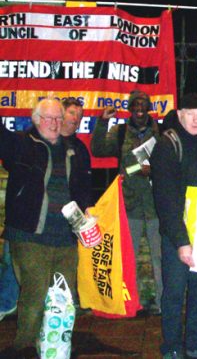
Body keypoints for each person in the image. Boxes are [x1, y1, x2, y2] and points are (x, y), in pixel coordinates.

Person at [0, 98, 93, 356]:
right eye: (48, 118)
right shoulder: (21, 145)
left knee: (64, 299)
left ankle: (55, 346)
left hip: (65, 238)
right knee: (36, 292)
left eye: (57, 118)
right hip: (29, 235)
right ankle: (25, 348)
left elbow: (84, 188)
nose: (53, 123)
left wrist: (87, 211)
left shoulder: (75, 149)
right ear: (36, 120)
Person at [150, 91, 197, 359]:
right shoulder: (168, 145)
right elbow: (166, 199)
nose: (196, 119)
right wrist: (182, 242)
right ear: (180, 115)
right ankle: (171, 347)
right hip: (178, 236)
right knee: (173, 294)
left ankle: (196, 344)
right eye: (191, 114)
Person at [91, 90, 164, 315]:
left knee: (159, 259)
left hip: (155, 205)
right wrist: (103, 122)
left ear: (149, 107)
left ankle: (163, 305)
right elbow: (98, 150)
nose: (139, 108)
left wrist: (155, 169)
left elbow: (171, 164)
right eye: (135, 105)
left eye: (143, 104)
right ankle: (132, 303)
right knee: (128, 258)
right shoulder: (120, 132)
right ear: (130, 108)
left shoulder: (161, 133)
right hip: (129, 203)